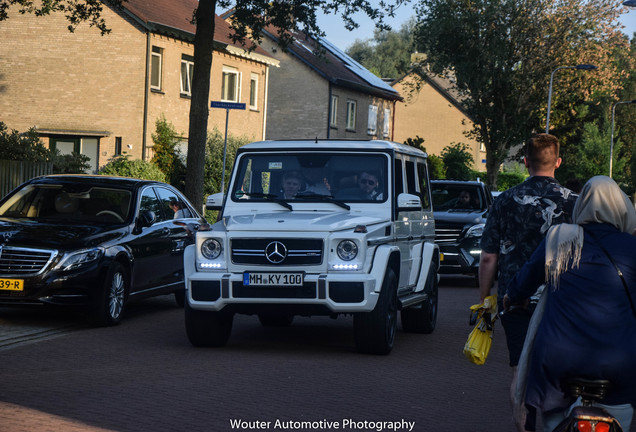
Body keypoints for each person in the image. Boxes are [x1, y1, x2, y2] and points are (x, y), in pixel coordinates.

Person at [504, 176, 636, 431]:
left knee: (553, 422)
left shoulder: (560, 238)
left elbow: (523, 283)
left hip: (558, 361)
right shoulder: (632, 247)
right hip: (620, 362)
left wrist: (513, 298)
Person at [478, 133, 577, 432]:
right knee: (559, 373)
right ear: (558, 162)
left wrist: (486, 300)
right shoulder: (574, 202)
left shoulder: (505, 200)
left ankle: (522, 426)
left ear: (525, 162)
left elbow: (487, 258)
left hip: (514, 300)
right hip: (561, 302)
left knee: (518, 372)